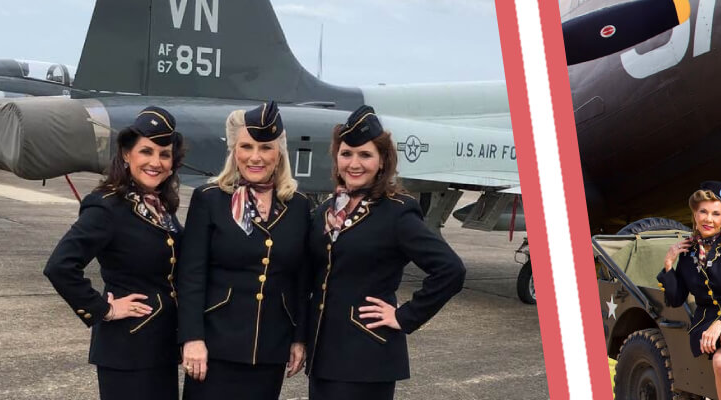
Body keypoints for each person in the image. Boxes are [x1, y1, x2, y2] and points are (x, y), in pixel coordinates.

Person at [305, 105, 466, 399]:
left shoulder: (396, 213)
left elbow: (450, 270)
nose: (354, 163)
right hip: (323, 356)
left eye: (365, 155)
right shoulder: (325, 212)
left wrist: (405, 316)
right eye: (346, 154)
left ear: (382, 162)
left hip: (366, 356)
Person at [44, 106, 185, 400]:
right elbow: (60, 266)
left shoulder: (161, 207)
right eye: (146, 151)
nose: (155, 162)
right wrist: (104, 310)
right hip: (127, 351)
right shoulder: (107, 207)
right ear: (126, 154)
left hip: (161, 348)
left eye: (164, 154)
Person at [177, 102, 312, 399]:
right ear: (234, 151)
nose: (255, 157)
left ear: (279, 154)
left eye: (265, 148)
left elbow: (301, 280)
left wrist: (299, 338)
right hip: (215, 345)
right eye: (246, 146)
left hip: (271, 346)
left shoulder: (298, 205)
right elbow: (191, 276)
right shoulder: (210, 200)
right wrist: (192, 338)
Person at [658, 181, 721, 400]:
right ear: (695, 215)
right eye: (703, 211)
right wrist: (669, 264)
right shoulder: (687, 254)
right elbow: (676, 300)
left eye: (716, 214)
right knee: (720, 360)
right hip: (705, 323)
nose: (708, 219)